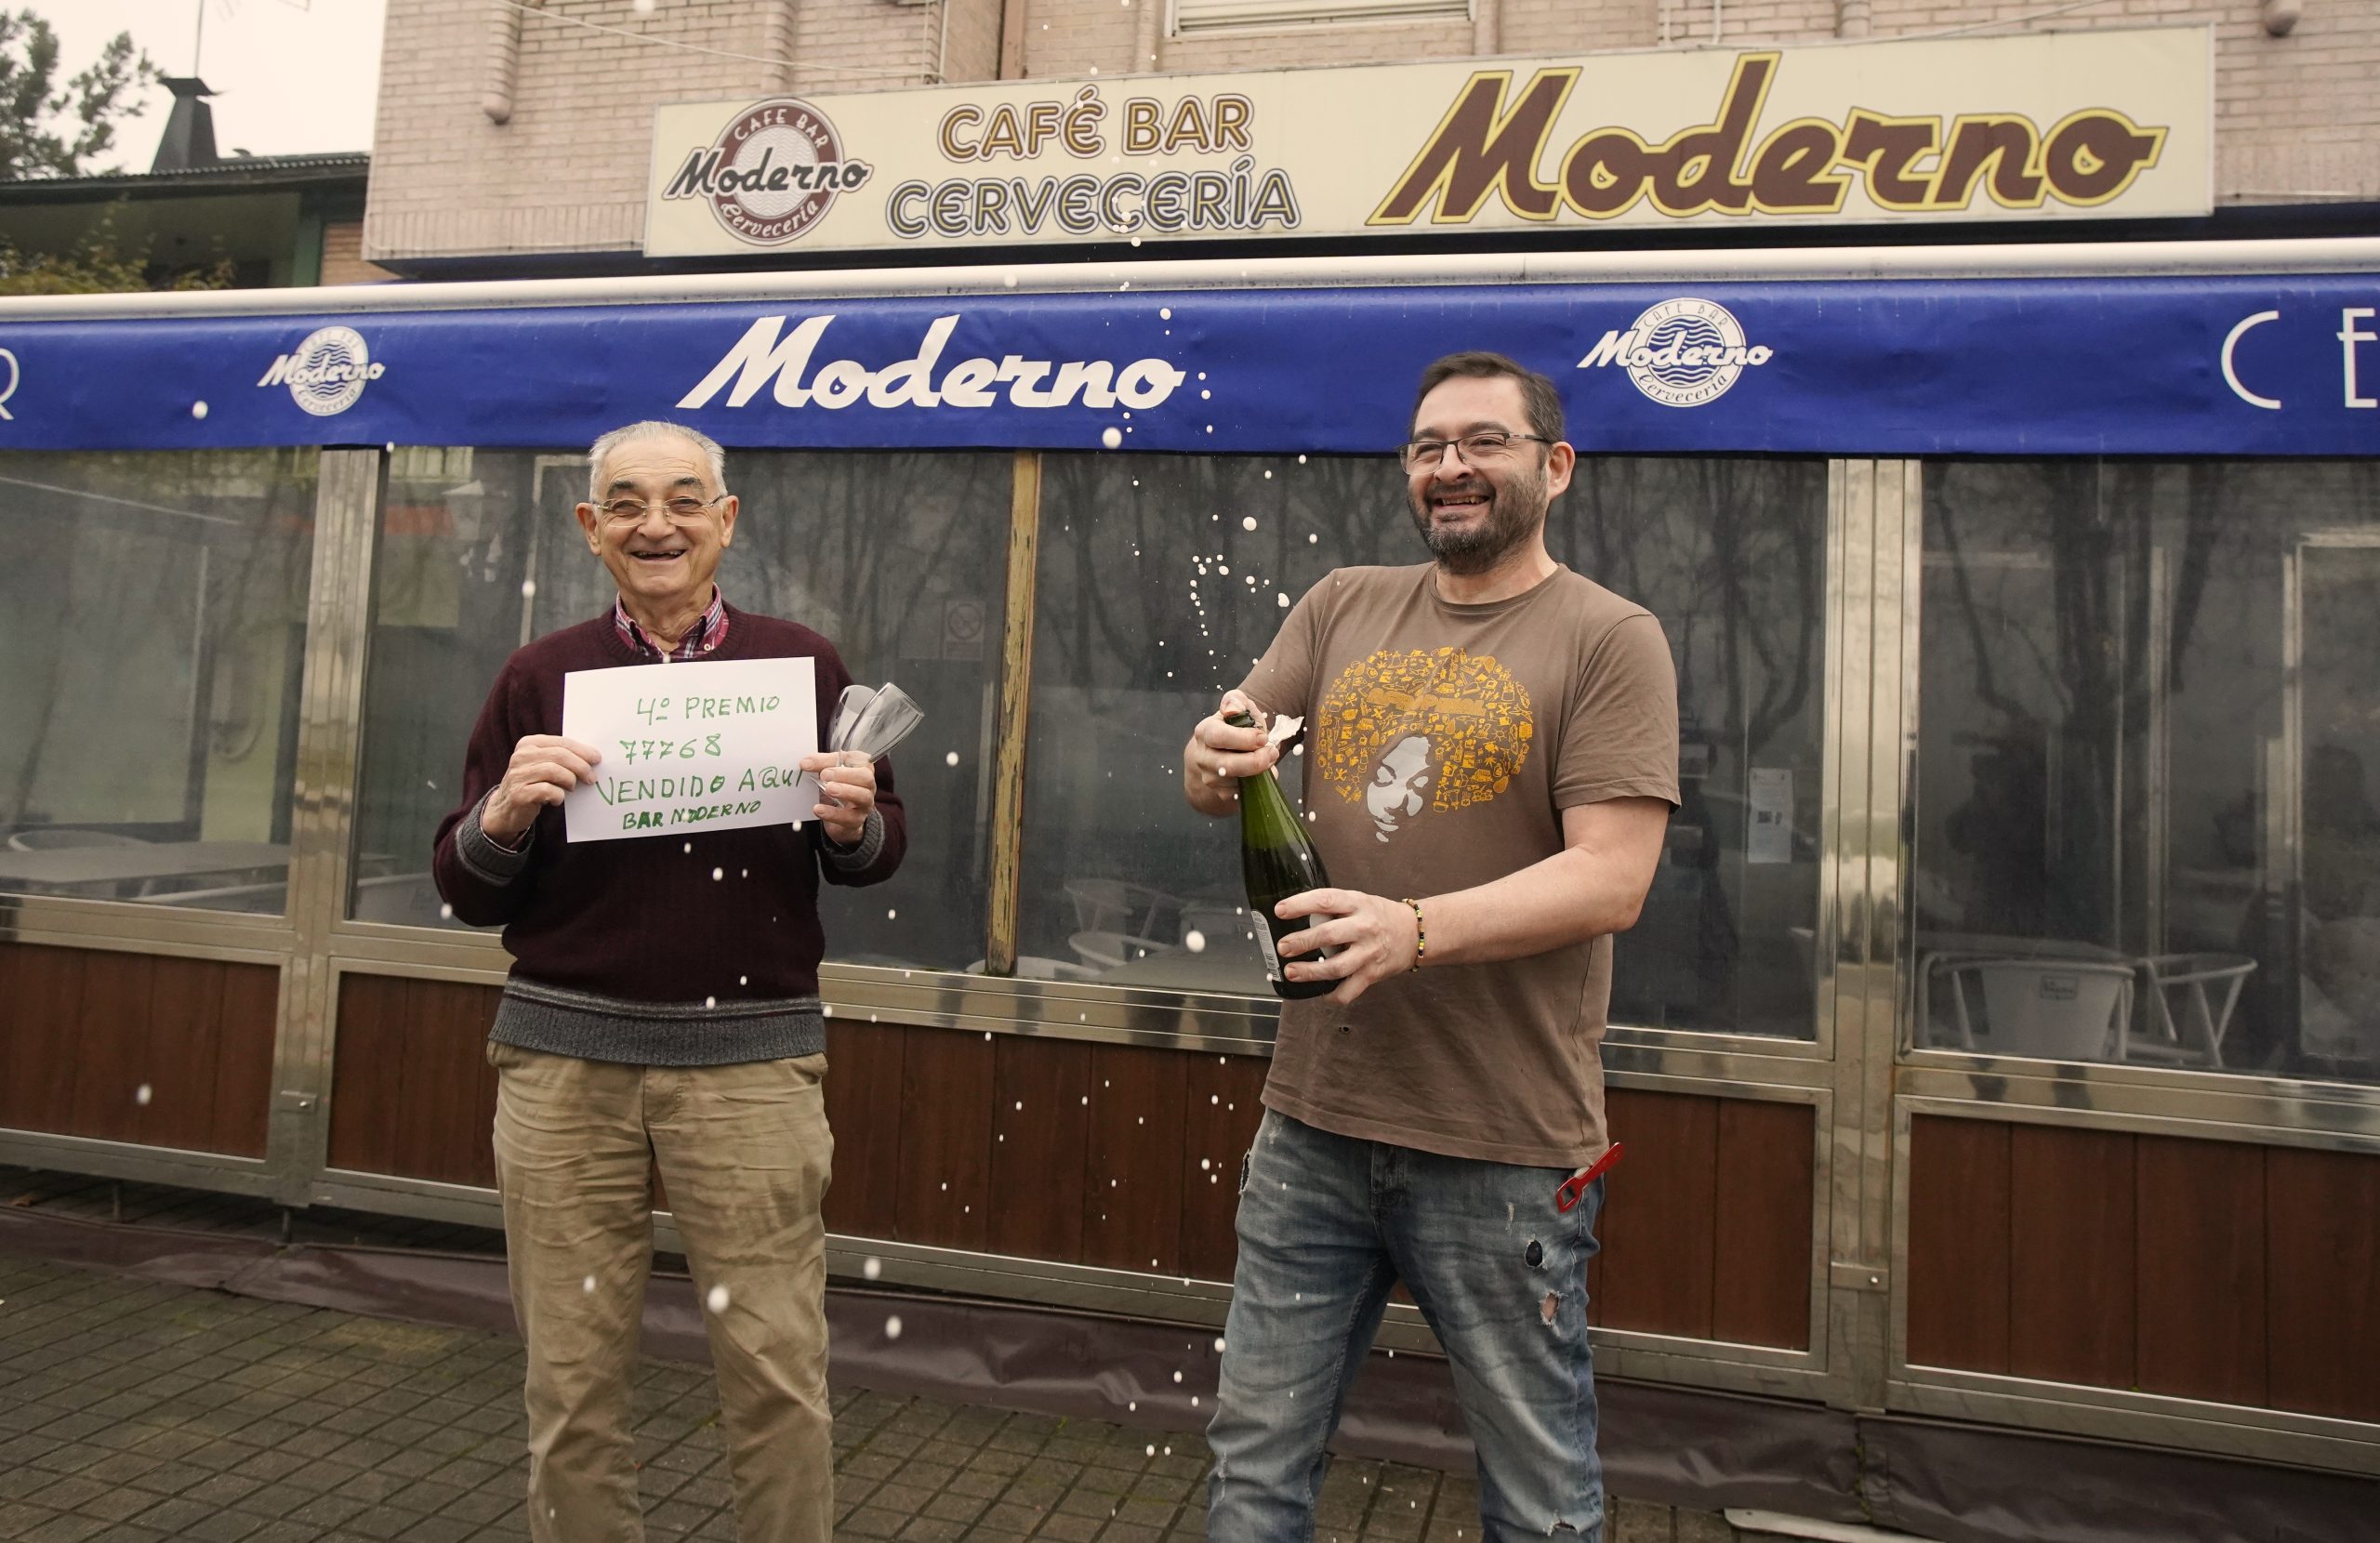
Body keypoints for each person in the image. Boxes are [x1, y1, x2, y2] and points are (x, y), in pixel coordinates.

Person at [1182, 352, 1677, 1541]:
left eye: (1482, 442)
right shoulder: (1343, 601)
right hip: (1312, 1121)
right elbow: (1222, 765)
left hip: (1501, 1142)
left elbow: (1612, 879)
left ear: (1552, 468)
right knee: (1254, 1464)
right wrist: (1211, 755)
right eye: (1427, 447)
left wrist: (1412, 931)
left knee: (1538, 1487)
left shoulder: (1611, 638)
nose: (1449, 467)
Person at [432, 420, 905, 1543]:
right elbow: (465, 886)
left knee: (777, 1374)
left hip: (749, 1068)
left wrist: (852, 820)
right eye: (630, 503)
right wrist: (501, 811)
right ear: (592, 528)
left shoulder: (803, 665)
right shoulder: (540, 674)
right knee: (570, 1386)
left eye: (686, 500)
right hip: (563, 1068)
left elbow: (879, 847)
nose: (659, 524)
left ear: (725, 522)